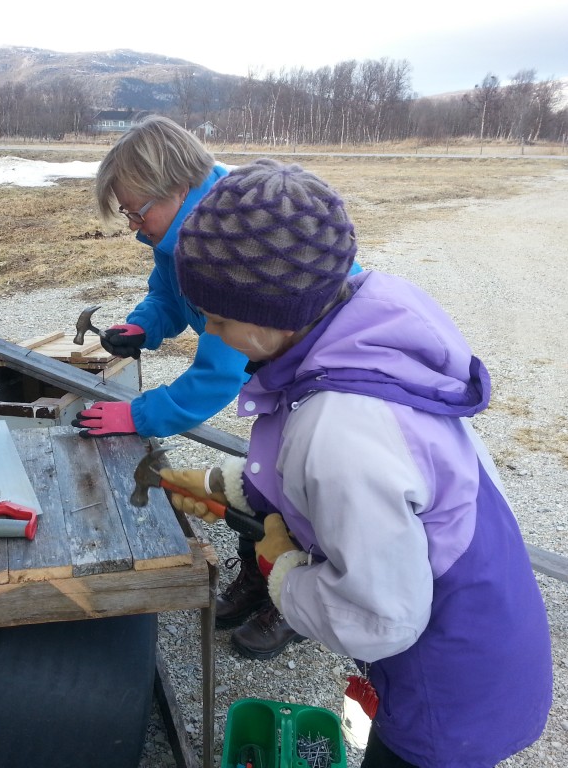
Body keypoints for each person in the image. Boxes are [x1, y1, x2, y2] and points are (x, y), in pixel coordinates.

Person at [161, 158, 553, 767]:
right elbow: (375, 491)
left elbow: (381, 616)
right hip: (482, 631)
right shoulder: (362, 340)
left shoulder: (341, 427)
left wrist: (283, 571)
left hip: (443, 683)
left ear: (273, 316)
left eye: (218, 318)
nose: (208, 333)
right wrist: (225, 484)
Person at [73, 116, 361, 659]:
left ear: (177, 185)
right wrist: (145, 325)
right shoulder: (180, 227)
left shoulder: (233, 242)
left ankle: (294, 601)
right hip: (278, 375)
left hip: (317, 377)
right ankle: (258, 577)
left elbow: (217, 374)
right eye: (128, 214)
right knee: (262, 474)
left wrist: (136, 416)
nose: (135, 226)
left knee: (301, 486)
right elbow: (167, 291)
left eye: (138, 210)